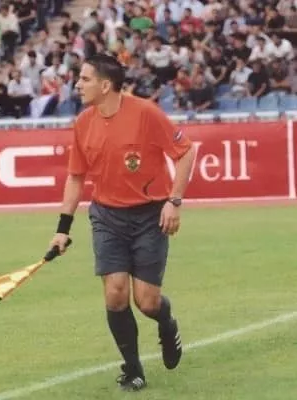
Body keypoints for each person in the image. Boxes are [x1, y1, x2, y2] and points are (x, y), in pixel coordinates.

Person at [48, 54, 195, 391]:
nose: (77, 85)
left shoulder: (146, 113)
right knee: (115, 294)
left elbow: (186, 151)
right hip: (107, 216)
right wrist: (62, 230)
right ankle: (133, 368)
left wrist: (174, 201)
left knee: (147, 302)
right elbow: (76, 177)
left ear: (105, 85)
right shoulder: (83, 123)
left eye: (84, 79)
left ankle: (166, 322)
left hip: (149, 215)